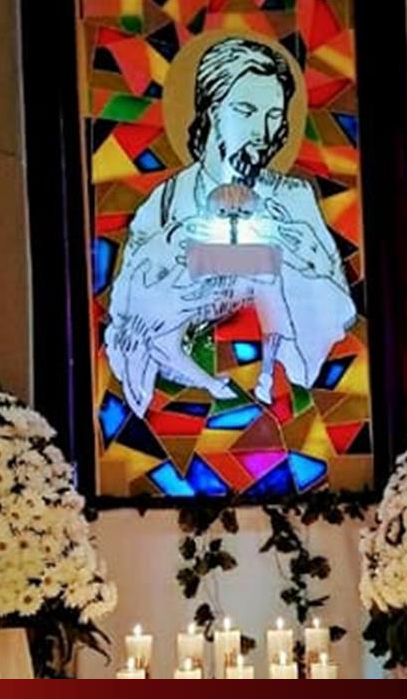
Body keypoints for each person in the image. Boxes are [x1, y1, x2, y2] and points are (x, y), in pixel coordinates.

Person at [105, 37, 356, 416]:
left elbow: (337, 311)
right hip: (182, 396)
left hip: (284, 391)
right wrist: (252, 260)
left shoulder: (293, 197)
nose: (263, 131)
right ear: (211, 110)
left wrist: (307, 256)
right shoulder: (163, 202)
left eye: (274, 115)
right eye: (246, 110)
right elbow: (130, 310)